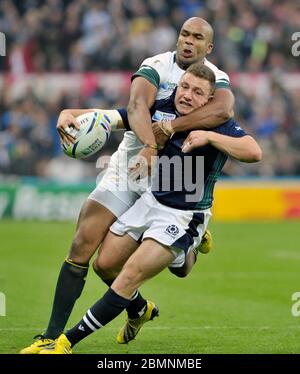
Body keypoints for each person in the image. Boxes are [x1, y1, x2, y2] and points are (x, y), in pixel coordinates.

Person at [20, 17, 234, 354]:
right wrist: (74, 112)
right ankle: (52, 335)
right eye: (184, 34)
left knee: (177, 269)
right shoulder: (156, 65)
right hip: (130, 168)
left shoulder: (216, 79)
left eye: (197, 37)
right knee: (86, 246)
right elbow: (133, 107)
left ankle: (191, 241)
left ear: (209, 48)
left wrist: (171, 128)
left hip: (174, 179)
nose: (188, 41)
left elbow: (222, 111)